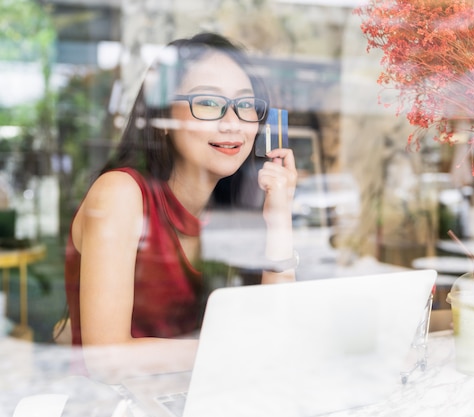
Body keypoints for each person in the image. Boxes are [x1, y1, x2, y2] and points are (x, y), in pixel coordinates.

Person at [64, 32, 298, 380]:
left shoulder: (234, 204)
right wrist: (234, 350)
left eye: (246, 104)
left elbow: (277, 335)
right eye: (207, 102)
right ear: (162, 119)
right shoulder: (121, 194)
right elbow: (106, 358)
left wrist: (279, 218)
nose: (233, 122)